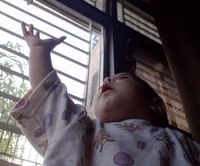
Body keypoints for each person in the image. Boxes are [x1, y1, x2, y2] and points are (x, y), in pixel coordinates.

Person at [11, 23, 200, 166]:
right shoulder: (82, 128)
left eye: (123, 77)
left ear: (153, 103)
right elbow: (51, 96)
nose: (106, 80)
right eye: (106, 80)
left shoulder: (179, 140)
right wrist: (39, 51)